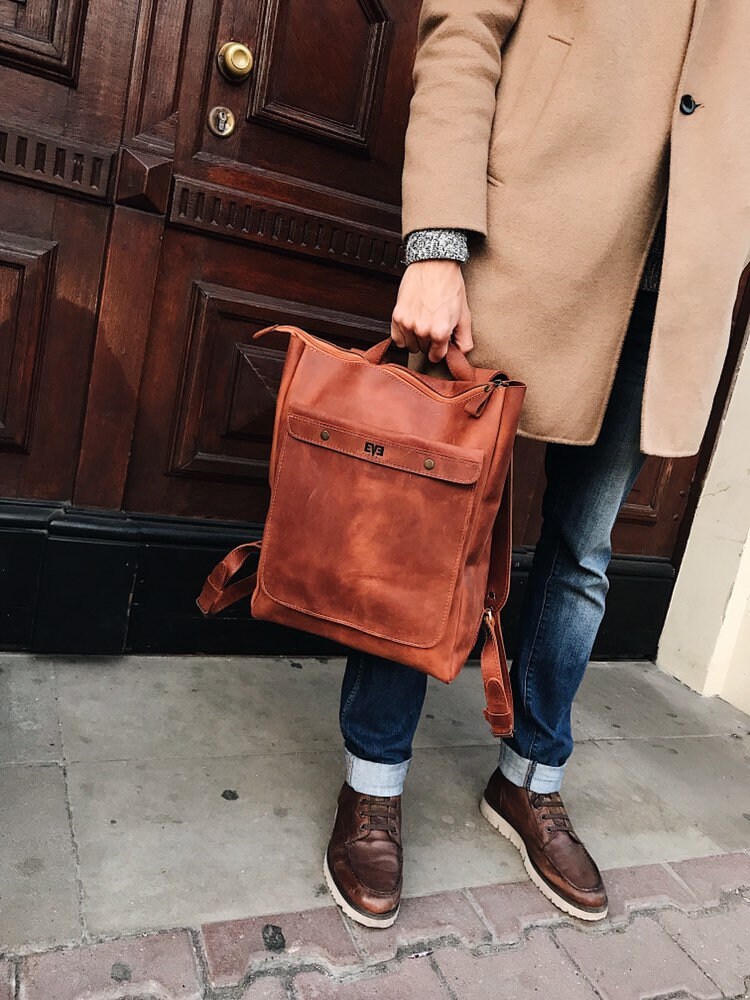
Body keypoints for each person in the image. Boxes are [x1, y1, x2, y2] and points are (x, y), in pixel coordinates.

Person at [323, 0, 750, 928]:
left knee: (584, 553)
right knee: (433, 526)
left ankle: (529, 779)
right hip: (524, 237)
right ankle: (373, 780)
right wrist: (436, 243)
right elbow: (463, 28)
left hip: (675, 282)